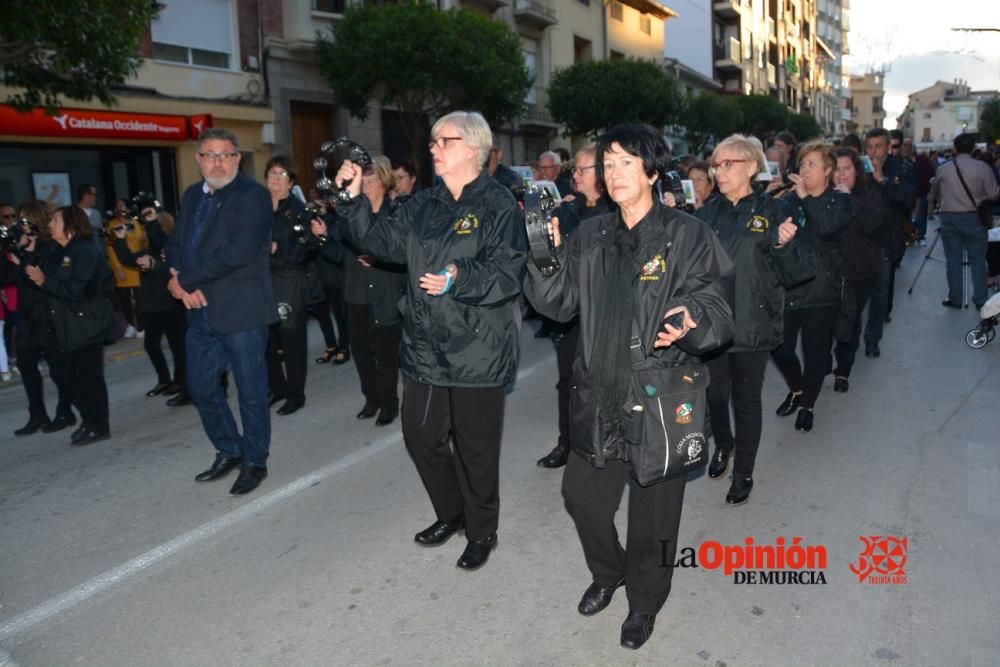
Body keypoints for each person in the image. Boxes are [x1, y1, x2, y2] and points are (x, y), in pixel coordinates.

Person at [524, 123, 734, 650]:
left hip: (662, 397)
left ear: (652, 171)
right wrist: (544, 256)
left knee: (655, 519)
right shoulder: (590, 235)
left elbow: (715, 305)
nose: (612, 173)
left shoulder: (687, 235)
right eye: (607, 163)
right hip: (600, 396)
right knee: (581, 497)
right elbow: (559, 304)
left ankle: (644, 603)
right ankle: (609, 571)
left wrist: (691, 320)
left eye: (624, 163)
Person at [334, 110, 528, 571]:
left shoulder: (499, 205)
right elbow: (379, 242)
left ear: (474, 148)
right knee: (420, 435)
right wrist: (350, 198)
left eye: (445, 140)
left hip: (479, 347)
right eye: (434, 142)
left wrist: (457, 278)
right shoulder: (422, 204)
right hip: (424, 346)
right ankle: (452, 512)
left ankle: (482, 530)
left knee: (476, 448)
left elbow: (508, 272)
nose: (434, 148)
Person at [696, 134, 808, 505]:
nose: (719, 170)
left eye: (729, 163)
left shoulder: (773, 210)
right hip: (713, 322)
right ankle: (723, 445)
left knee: (746, 401)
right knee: (714, 395)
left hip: (752, 323)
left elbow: (795, 273)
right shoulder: (706, 212)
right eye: (716, 164)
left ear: (752, 167)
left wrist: (783, 245)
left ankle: (743, 471)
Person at [166, 127, 277, 496]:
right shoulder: (193, 196)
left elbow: (238, 251)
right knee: (200, 387)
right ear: (198, 159)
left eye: (225, 154)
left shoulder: (253, 196)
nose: (217, 161)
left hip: (241, 311)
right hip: (199, 312)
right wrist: (175, 276)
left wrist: (187, 281)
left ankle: (255, 460)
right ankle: (230, 448)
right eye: (209, 154)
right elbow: (177, 241)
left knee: (251, 391)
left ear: (237, 159)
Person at [535, 143, 615, 469]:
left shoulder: (619, 212)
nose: (575, 176)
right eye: (574, 170)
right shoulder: (565, 212)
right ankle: (566, 443)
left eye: (582, 170)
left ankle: (607, 442)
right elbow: (547, 262)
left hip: (608, 315)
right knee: (568, 381)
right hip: (570, 314)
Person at [318, 156, 406, 426]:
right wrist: (322, 236)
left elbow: (405, 256)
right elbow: (336, 254)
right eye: (362, 178)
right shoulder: (347, 216)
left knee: (387, 353)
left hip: (386, 291)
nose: (365, 183)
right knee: (361, 351)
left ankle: (389, 402)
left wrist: (378, 257)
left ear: (384, 180)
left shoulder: (396, 214)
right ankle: (371, 399)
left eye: (371, 177)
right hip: (356, 292)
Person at [771, 140, 852, 432]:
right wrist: (772, 200)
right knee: (779, 347)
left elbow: (828, 229)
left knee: (816, 352)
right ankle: (797, 388)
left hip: (821, 289)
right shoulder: (790, 200)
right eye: (802, 163)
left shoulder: (840, 201)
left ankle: (807, 405)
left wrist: (806, 198)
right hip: (790, 286)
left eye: (812, 164)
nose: (804, 169)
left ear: (828, 170)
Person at [25, 206, 112, 445]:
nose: (50, 224)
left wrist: (46, 281)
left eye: (55, 220)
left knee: (89, 378)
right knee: (69, 378)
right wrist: (31, 254)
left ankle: (98, 425)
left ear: (70, 226)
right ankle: (89, 419)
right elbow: (36, 277)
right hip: (65, 325)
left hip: (86, 323)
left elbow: (79, 289)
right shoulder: (57, 251)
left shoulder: (84, 251)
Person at [5, 201, 77, 435]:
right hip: (26, 315)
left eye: (24, 218)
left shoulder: (50, 246)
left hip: (47, 314)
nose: (19, 223)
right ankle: (37, 414)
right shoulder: (22, 244)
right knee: (26, 365)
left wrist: (28, 254)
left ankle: (65, 410)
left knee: (57, 368)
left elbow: (41, 279)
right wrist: (18, 250)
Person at [112, 201, 189, 406]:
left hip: (170, 305)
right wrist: (119, 240)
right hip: (152, 306)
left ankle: (182, 384)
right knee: (151, 344)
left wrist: (153, 223)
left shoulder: (167, 246)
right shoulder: (147, 250)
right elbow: (129, 259)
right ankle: (165, 379)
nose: (145, 228)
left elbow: (166, 258)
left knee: (178, 347)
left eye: (151, 223)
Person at [264, 156, 317, 417]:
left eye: (281, 174)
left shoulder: (298, 210)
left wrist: (277, 248)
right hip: (263, 280)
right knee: (266, 338)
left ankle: (296, 394)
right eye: (271, 174)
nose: (275, 179)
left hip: (289, 279)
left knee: (292, 339)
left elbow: (305, 248)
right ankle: (277, 386)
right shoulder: (260, 208)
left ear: (291, 181)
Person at [831, 148, 885, 392]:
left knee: (849, 323)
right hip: (829, 274)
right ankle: (824, 360)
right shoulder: (825, 197)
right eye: (836, 170)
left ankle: (843, 371)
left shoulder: (869, 197)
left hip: (860, 272)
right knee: (827, 324)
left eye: (846, 169)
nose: (841, 175)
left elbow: (872, 225)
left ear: (856, 171)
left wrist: (849, 199)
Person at [929, 133, 1000, 310]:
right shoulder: (982, 167)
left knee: (953, 260)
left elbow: (933, 193)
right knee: (978, 260)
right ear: (974, 148)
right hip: (974, 217)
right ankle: (981, 300)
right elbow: (994, 194)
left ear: (954, 148)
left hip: (949, 218)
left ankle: (955, 298)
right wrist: (980, 196)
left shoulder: (943, 169)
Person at [863, 128, 916, 358]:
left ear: (888, 147)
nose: (874, 152)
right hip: (861, 240)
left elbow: (906, 201)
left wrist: (882, 180)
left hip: (886, 240)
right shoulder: (859, 169)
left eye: (878, 146)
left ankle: (872, 340)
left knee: (880, 293)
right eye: (870, 147)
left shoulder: (902, 168)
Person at [106, 199, 145, 339]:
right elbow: (110, 248)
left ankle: (141, 326)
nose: (119, 208)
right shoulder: (112, 225)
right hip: (121, 266)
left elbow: (142, 242)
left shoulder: (135, 223)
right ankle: (130, 325)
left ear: (128, 209)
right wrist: (117, 268)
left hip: (136, 264)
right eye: (117, 206)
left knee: (140, 298)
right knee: (125, 300)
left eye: (122, 206)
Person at [75, 184, 104, 253]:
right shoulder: (72, 213)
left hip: (97, 255)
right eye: (94, 195)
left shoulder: (96, 213)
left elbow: (100, 237)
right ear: (85, 196)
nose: (96, 198)